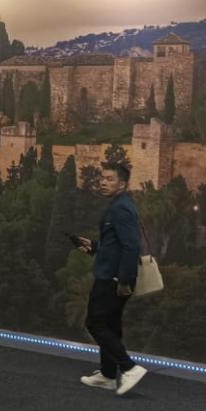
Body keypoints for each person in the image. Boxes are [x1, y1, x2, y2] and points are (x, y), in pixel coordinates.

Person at [73, 160, 147, 396]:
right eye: (102, 178)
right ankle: (107, 375)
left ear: (122, 184)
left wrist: (124, 280)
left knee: (95, 323)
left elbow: (131, 245)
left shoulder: (121, 208)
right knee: (110, 325)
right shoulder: (119, 205)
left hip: (112, 278)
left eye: (110, 179)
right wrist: (94, 247)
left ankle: (129, 368)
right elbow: (116, 244)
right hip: (112, 275)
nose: (103, 183)